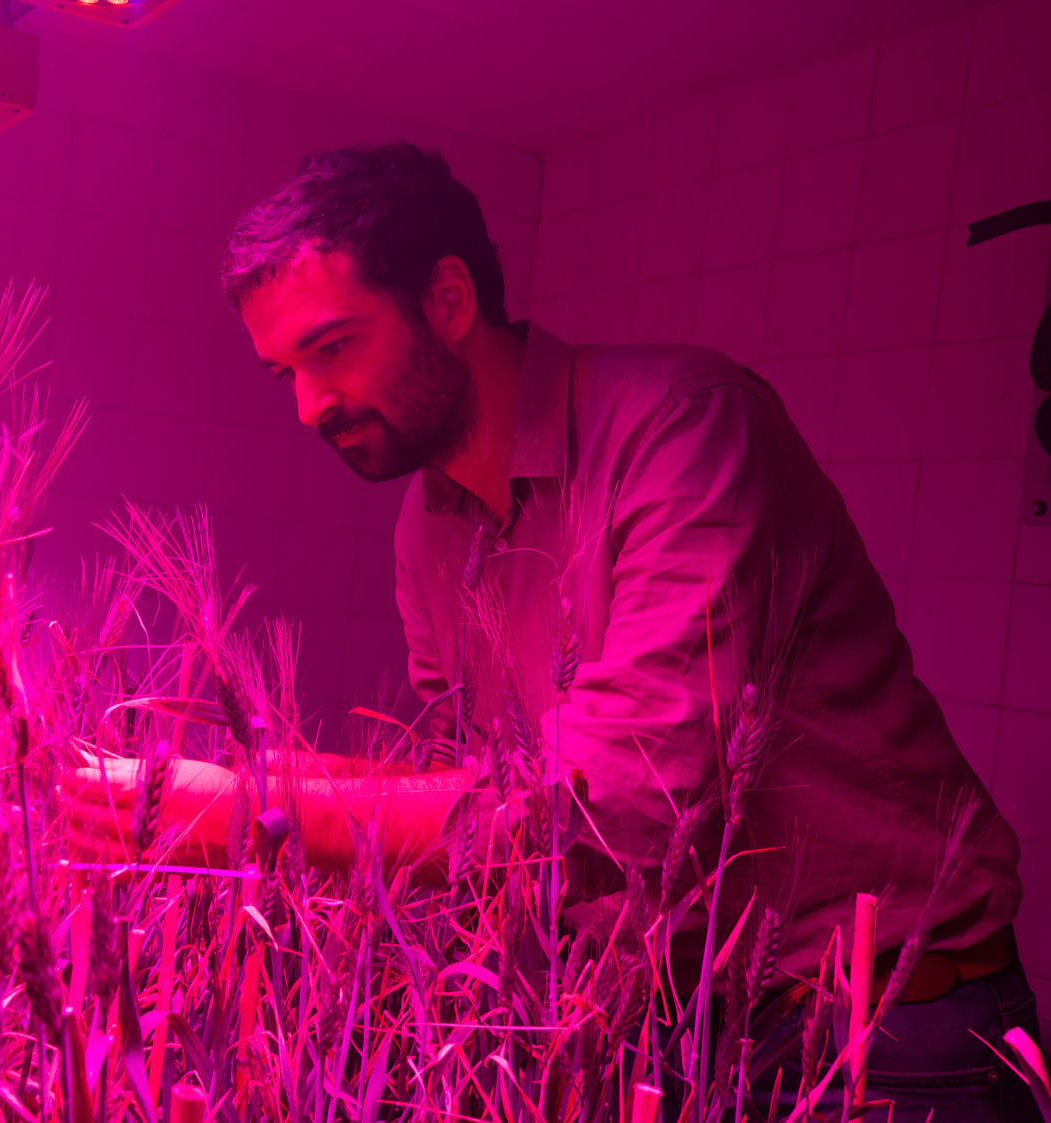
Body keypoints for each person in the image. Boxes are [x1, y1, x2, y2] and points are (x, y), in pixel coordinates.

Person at [61, 143, 1037, 1114]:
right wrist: (241, 783)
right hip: (691, 1026)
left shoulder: (686, 429)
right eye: (283, 374)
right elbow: (467, 784)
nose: (310, 406)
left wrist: (255, 813)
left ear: (445, 301)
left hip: (890, 1029)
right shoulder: (427, 522)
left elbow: (603, 812)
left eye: (331, 347)